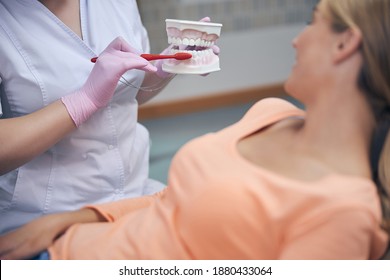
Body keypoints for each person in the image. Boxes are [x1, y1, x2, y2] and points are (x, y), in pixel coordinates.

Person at [0, 0, 389, 260]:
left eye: (311, 22)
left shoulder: (345, 211)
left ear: (345, 44)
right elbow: (178, 197)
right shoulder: (271, 114)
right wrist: (71, 220)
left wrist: (163, 68)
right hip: (62, 223)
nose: (295, 39)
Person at [0, 0, 217, 235]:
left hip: (135, 193)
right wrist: (82, 101)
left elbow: (124, 95)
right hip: (46, 215)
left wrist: (165, 67)